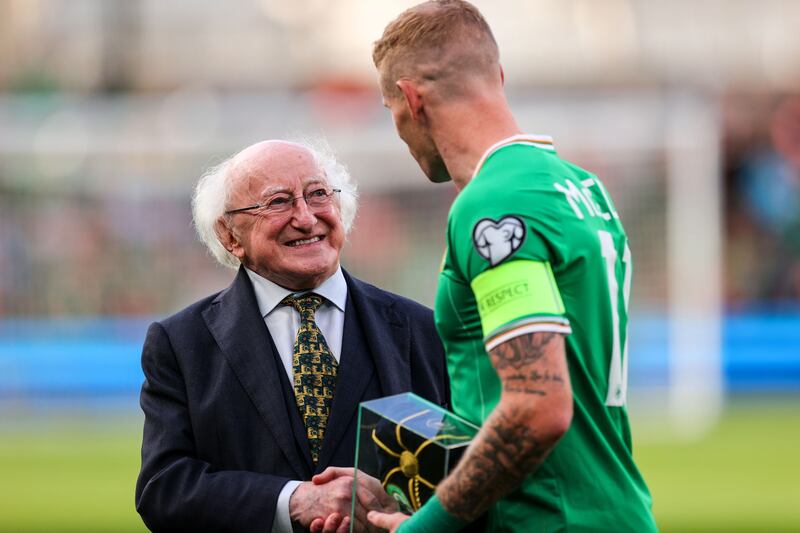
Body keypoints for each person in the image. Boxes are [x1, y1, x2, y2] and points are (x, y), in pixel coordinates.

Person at [364, 1, 658, 531]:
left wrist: (423, 527)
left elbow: (536, 406)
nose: (399, 131)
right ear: (497, 76)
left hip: (548, 519)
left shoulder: (494, 205)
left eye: (391, 112)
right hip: (613, 507)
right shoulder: (579, 188)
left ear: (411, 99)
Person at [135, 139, 449, 533]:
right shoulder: (181, 344)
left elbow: (464, 472)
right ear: (230, 235)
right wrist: (294, 499)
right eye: (279, 202)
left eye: (318, 194)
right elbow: (164, 489)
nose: (305, 217)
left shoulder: (423, 331)